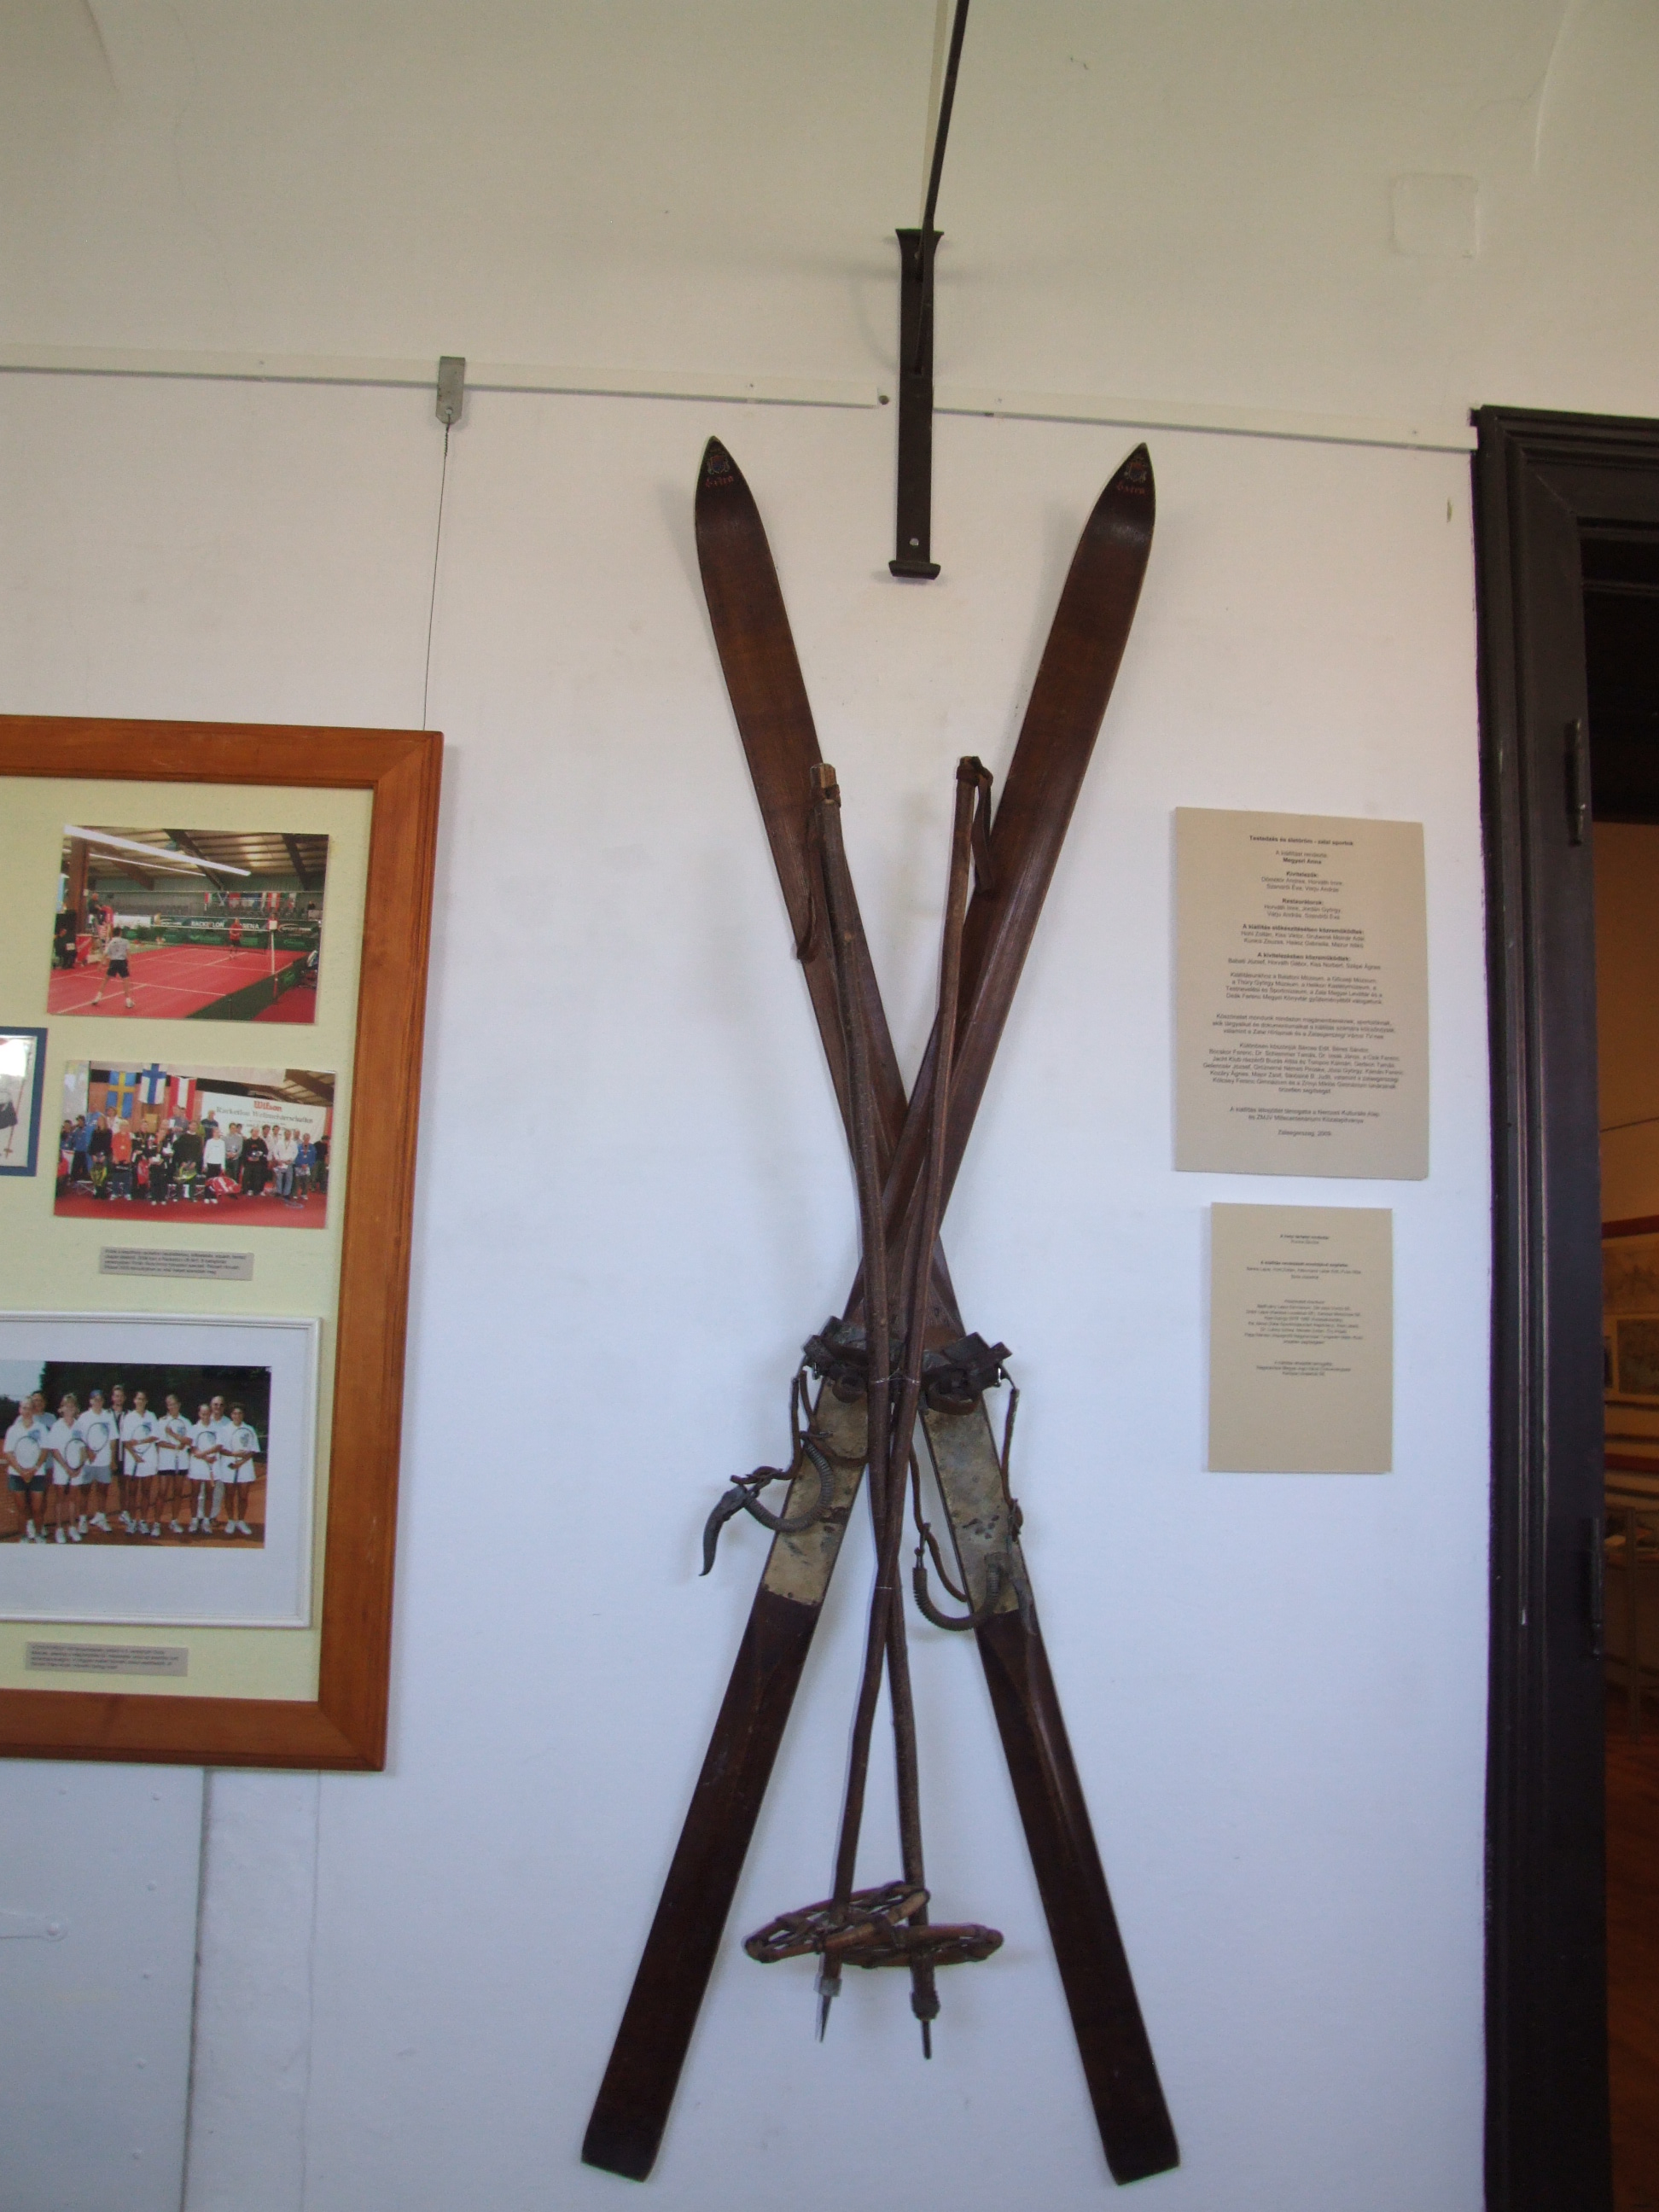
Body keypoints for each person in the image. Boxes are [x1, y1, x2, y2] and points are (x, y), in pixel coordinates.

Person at [43, 1394, 81, 1543]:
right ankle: (59, 1529)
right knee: (60, 1499)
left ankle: (72, 1527)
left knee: (73, 1499)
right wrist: (66, 1468)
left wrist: (79, 1467)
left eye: (72, 1406)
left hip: (76, 1469)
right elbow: (54, 1450)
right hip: (61, 1469)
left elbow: (83, 1449)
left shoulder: (80, 1426)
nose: (69, 1409)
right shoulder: (57, 1426)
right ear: (61, 1409)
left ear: (76, 1409)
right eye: (66, 1406)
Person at [123, 1389, 160, 1536]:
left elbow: (155, 1436)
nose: (140, 1401)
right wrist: (135, 1456)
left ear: (146, 1402)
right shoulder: (129, 1417)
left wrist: (139, 1442)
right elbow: (126, 1441)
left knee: (146, 1492)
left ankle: (143, 1521)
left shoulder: (152, 1416)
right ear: (134, 1400)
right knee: (132, 1492)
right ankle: (132, 1522)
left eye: (143, 1399)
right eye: (138, 1399)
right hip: (132, 1459)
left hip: (148, 1459)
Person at [223, 1406, 260, 1536]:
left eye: (239, 1413)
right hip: (229, 1465)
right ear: (231, 1415)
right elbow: (221, 1449)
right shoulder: (225, 1429)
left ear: (243, 1415)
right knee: (229, 1495)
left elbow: (254, 1449)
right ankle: (231, 1521)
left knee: (243, 1496)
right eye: (234, 1413)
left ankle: (241, 1521)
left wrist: (241, 1462)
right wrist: (233, 1455)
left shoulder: (249, 1429)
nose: (237, 1416)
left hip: (245, 1466)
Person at [157, 1393, 191, 1535]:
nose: (172, 1407)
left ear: (179, 1405)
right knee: (162, 1493)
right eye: (169, 1405)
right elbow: (159, 1442)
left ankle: (174, 1521)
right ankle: (157, 1523)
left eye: (174, 1404)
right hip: (166, 1462)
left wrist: (176, 1438)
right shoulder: (162, 1421)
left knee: (178, 1493)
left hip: (181, 1462)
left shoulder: (186, 1422)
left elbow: (189, 1441)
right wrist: (176, 1446)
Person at [189, 1403, 219, 1534]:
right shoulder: (194, 1428)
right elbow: (193, 1448)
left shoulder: (217, 1428)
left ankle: (206, 1521)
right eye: (203, 1414)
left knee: (209, 1494)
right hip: (197, 1465)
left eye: (207, 1414)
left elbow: (219, 1446)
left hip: (212, 1466)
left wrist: (204, 1455)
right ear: (199, 1414)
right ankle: (194, 1520)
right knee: (194, 1494)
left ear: (210, 1413)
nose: (205, 1416)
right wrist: (206, 1457)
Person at [90, 930, 135, 1010]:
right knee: (125, 981)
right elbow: (128, 954)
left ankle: (97, 998)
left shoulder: (110, 943)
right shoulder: (125, 941)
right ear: (120, 933)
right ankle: (128, 1001)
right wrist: (130, 965)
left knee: (105, 981)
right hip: (122, 962)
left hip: (113, 962)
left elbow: (105, 954)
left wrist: (100, 965)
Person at [293, 1135, 316, 1204]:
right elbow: (295, 1156)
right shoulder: (298, 1147)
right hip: (299, 1166)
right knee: (297, 1181)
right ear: (303, 1139)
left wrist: (308, 1165)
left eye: (308, 1139)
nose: (306, 1140)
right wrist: (301, 1164)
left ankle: (304, 1194)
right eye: (305, 1139)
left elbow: (313, 1157)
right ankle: (295, 1193)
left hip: (307, 1167)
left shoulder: (312, 1147)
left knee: (306, 1181)